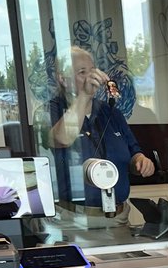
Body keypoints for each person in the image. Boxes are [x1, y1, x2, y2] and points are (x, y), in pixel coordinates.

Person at [48, 46, 155, 223]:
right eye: (82, 72)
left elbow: (133, 154)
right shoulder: (50, 110)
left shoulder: (112, 113)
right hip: (75, 220)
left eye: (93, 71)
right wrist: (84, 95)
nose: (91, 77)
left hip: (118, 217)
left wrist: (141, 162)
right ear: (63, 79)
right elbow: (62, 139)